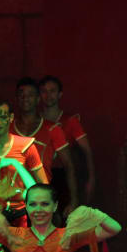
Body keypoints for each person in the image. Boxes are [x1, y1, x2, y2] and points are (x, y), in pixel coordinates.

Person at [0, 97, 47, 223]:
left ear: (11, 118)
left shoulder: (25, 146)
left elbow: (43, 186)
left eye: (2, 117)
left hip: (20, 216)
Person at [11, 77, 78, 217]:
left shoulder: (52, 129)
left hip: (41, 202)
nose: (25, 98)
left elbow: (69, 165)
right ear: (17, 98)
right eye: (21, 94)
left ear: (37, 99)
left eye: (30, 94)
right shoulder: (7, 128)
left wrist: (73, 201)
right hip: (12, 202)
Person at [39, 75, 96, 204]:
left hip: (64, 176)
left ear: (60, 94)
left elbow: (87, 151)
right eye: (44, 91)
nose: (48, 95)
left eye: (52, 91)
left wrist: (91, 179)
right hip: (41, 175)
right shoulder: (36, 121)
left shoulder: (70, 121)